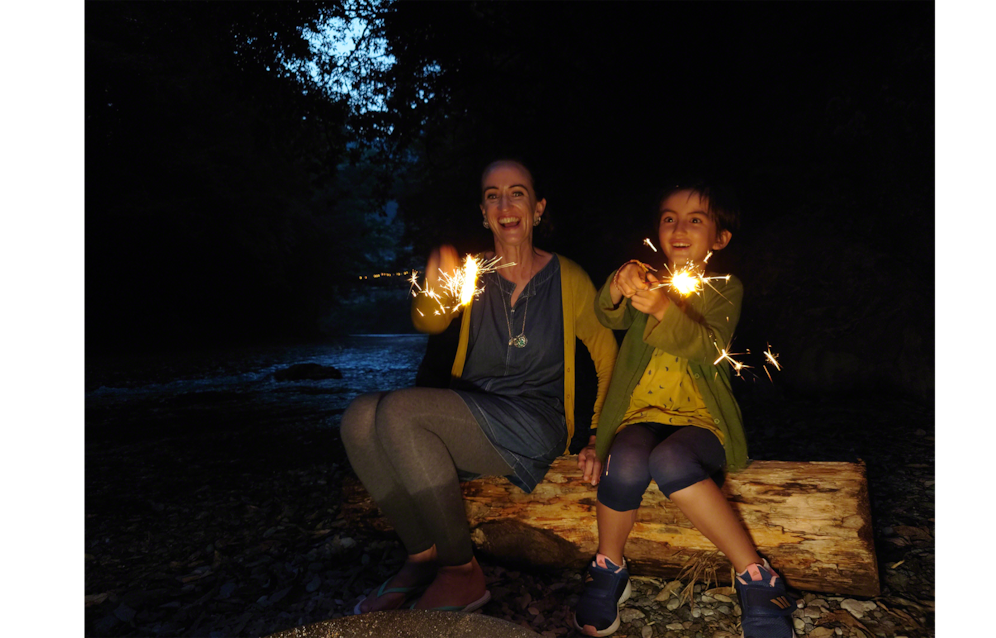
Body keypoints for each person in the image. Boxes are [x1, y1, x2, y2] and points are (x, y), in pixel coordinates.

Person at [340, 159, 618, 614]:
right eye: (493, 195)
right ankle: (421, 555)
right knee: (357, 417)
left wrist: (598, 436)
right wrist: (433, 288)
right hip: (472, 411)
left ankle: (460, 572)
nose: (505, 204)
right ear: (483, 212)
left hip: (536, 419)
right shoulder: (471, 274)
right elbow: (429, 320)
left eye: (517, 193)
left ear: (538, 208)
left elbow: (609, 357)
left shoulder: (568, 277)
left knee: (399, 412)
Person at [571, 183, 794, 638]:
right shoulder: (648, 280)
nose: (678, 227)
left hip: (700, 422)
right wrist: (620, 281)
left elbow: (707, 345)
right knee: (626, 458)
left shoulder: (725, 289)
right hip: (639, 415)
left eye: (696, 219)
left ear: (720, 238)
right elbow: (608, 314)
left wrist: (663, 310)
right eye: (669, 217)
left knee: (669, 459)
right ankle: (609, 565)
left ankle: (756, 576)